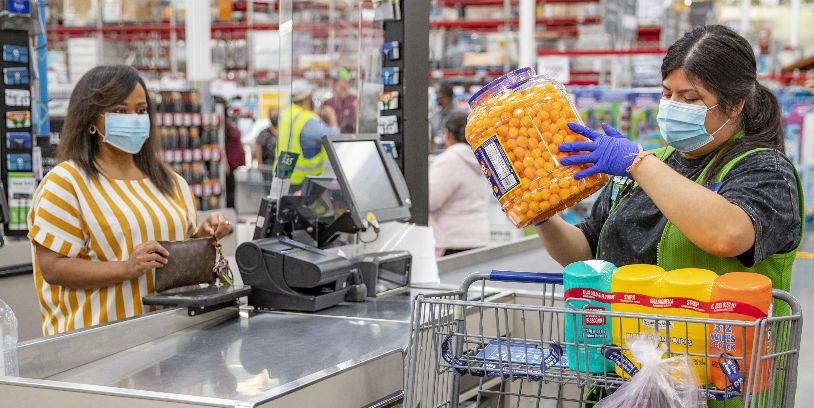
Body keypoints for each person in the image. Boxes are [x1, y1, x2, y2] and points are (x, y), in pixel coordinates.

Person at [537, 25, 802, 310]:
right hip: (629, 347)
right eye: (666, 94)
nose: (673, 106)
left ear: (735, 104)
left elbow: (729, 235)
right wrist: (540, 212)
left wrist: (638, 163)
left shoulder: (766, 170)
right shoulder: (650, 164)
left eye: (689, 99)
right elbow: (588, 253)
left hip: (718, 350)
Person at [27, 65, 232, 336]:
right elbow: (52, 267)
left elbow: (171, 257)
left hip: (173, 337)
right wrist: (126, 268)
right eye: (120, 111)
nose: (134, 119)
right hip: (98, 344)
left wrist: (201, 238)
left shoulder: (171, 183)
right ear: (90, 118)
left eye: (141, 110)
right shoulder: (66, 184)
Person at [429, 110, 489, 257]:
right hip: (478, 238)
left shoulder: (449, 159)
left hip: (452, 241)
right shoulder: (480, 158)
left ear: (447, 134)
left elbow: (430, 201)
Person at [277, 79, 339, 190]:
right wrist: (332, 115)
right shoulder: (309, 121)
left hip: (284, 174)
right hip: (302, 181)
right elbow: (335, 137)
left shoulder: (287, 113)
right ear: (308, 97)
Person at [429, 82, 467, 152]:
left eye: (437, 94)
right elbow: (432, 138)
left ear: (446, 95)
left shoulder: (461, 115)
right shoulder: (435, 114)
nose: (436, 97)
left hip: (456, 155)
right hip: (437, 155)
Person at [321, 68, 357, 134]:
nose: (333, 84)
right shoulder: (328, 103)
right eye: (332, 81)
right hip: (332, 141)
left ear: (346, 82)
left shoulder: (354, 102)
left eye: (336, 81)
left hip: (350, 141)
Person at [224, 114, 245, 209]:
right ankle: (231, 209)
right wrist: (225, 163)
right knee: (230, 190)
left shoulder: (229, 126)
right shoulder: (225, 128)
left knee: (231, 188)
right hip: (228, 164)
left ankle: (232, 209)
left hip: (232, 164)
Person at [254, 106, 278, 184]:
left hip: (281, 167)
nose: (275, 118)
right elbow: (258, 147)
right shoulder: (264, 133)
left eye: (276, 116)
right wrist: (260, 164)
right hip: (268, 167)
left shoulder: (283, 131)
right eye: (273, 116)